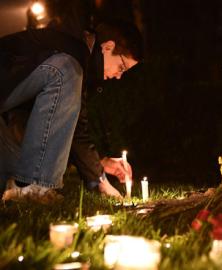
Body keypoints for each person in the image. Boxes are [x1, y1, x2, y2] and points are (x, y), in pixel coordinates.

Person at [0, 2, 142, 204]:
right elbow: (77, 130)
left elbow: (55, 128)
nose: (119, 76)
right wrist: (99, 179)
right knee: (65, 70)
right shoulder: (73, 50)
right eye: (122, 67)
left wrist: (99, 165)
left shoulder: (80, 60)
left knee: (12, 176)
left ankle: (26, 185)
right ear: (108, 47)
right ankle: (35, 185)